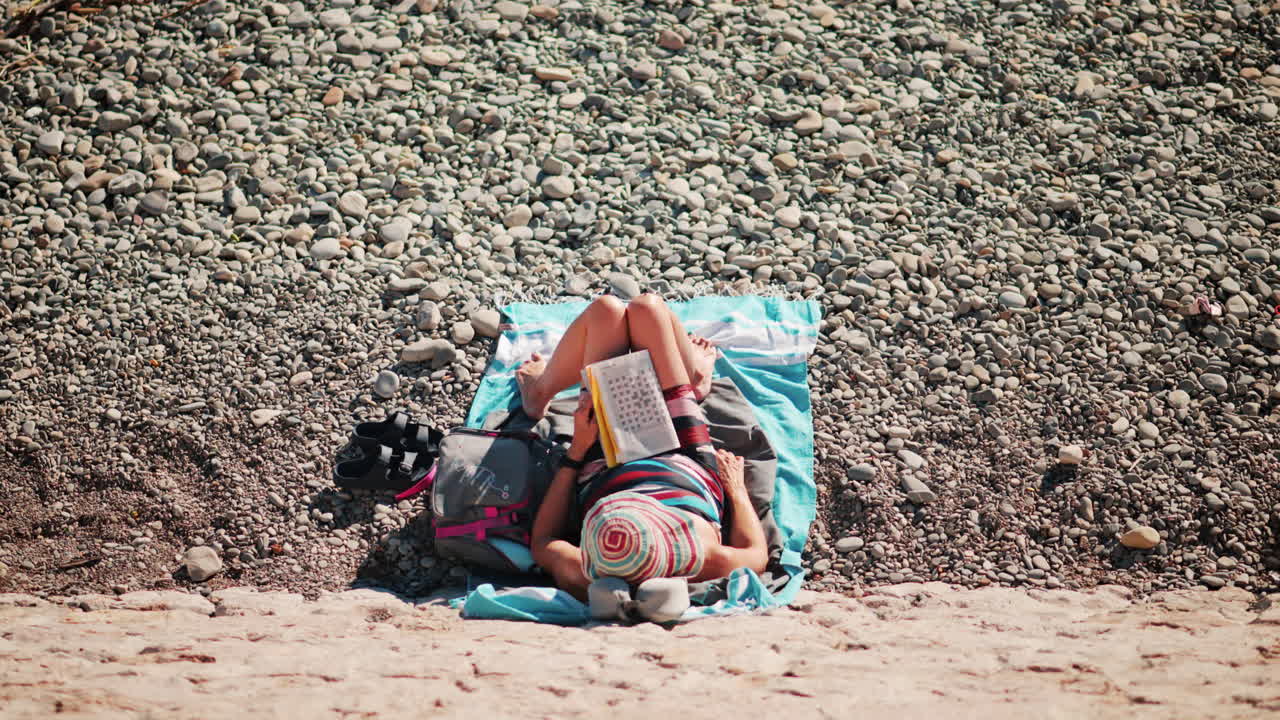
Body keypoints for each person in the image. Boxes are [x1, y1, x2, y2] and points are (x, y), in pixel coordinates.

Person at [518, 294, 768, 603]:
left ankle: (540, 392)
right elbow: (757, 554)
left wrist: (577, 452)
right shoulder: (703, 557)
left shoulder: (585, 568)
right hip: (687, 458)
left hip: (609, 461)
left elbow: (543, 540)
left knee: (606, 311)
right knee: (648, 308)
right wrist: (736, 489)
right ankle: (694, 383)